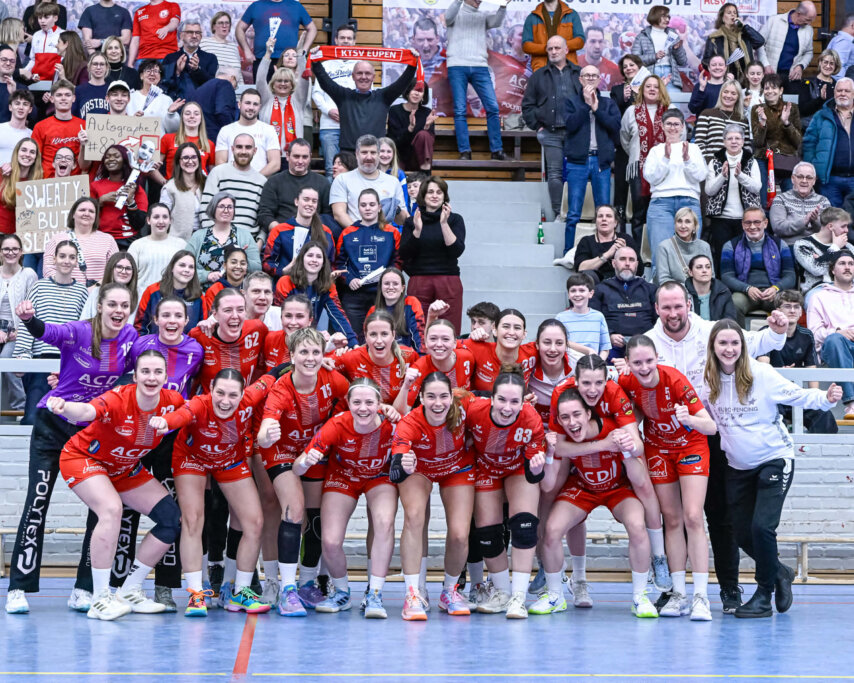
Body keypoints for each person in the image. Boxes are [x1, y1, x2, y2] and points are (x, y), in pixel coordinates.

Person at [646, 282, 789, 613]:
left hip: (711, 434)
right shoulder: (650, 342)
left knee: (719, 516)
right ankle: (677, 590)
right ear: (657, 309)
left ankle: (729, 588)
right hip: (665, 440)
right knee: (674, 518)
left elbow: (755, 342)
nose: (673, 313)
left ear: (689, 305)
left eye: (678, 306)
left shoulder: (711, 331)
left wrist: (777, 331)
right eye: (666, 307)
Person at [4, 282, 138, 615]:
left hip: (91, 431)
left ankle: (84, 588)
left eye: (124, 305)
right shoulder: (79, 331)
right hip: (53, 424)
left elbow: (148, 364)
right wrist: (29, 319)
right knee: (37, 502)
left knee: (100, 510)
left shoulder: (130, 338)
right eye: (112, 305)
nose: (118, 311)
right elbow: (46, 332)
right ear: (100, 305)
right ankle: (18, 588)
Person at [702, 318, 839, 618]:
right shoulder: (707, 379)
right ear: (713, 346)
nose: (729, 349)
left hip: (774, 458)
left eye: (734, 343)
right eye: (722, 343)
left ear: (743, 346)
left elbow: (797, 395)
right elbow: (698, 412)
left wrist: (825, 399)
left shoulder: (761, 374)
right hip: (737, 466)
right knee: (740, 533)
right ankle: (780, 571)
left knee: (762, 528)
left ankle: (764, 594)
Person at [47, 351, 184, 620]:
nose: (151, 377)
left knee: (171, 518)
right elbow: (87, 410)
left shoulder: (173, 402)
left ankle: (130, 589)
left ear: (166, 378)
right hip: (84, 458)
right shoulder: (118, 397)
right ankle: (100, 599)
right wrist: (65, 407)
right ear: (135, 376)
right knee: (111, 510)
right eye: (145, 371)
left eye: (158, 372)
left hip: (124, 468)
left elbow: (195, 412)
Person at [153, 367, 278, 616]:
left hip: (229, 459)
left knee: (254, 522)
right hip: (191, 459)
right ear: (210, 390)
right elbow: (180, 415)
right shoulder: (200, 404)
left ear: (244, 394)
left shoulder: (252, 397)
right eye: (220, 393)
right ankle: (196, 595)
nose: (225, 401)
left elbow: (272, 375)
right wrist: (164, 422)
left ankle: (240, 592)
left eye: (233, 395)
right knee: (192, 520)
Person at [536, 387, 658, 618]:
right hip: (582, 488)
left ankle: (640, 596)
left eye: (576, 415)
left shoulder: (615, 430)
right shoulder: (562, 440)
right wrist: (551, 453)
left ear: (588, 414)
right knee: (551, 529)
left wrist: (627, 450)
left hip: (617, 488)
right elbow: (548, 484)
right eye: (565, 418)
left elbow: (640, 478)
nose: (571, 423)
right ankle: (555, 596)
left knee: (636, 525)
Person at [619, 335, 718, 621]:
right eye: (637, 362)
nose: (644, 367)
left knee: (693, 517)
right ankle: (679, 593)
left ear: (657, 358)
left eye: (649, 360)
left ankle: (701, 596)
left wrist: (688, 419)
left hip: (690, 446)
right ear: (628, 363)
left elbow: (710, 427)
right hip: (658, 450)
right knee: (671, 519)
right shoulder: (626, 381)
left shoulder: (674, 380)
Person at [256, 327, 350, 613]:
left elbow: (354, 403)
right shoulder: (281, 387)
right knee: (294, 510)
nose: (310, 358)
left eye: (315, 352)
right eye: (304, 352)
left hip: (314, 450)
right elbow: (263, 434)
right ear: (292, 356)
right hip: (280, 450)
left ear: (324, 356)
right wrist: (265, 435)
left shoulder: (333, 379)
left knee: (315, 515)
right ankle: (286, 589)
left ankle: (307, 583)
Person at [294, 377, 398, 619]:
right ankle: (341, 592)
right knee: (329, 541)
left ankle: (375, 594)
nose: (363, 408)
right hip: (343, 478)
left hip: (378, 477)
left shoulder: (393, 424)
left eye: (369, 402)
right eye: (357, 402)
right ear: (348, 404)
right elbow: (298, 468)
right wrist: (304, 462)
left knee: (384, 523)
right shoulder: (336, 425)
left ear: (379, 404)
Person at [391, 373, 475, 620]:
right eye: (431, 397)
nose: (438, 403)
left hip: (457, 467)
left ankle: (450, 591)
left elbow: (497, 406)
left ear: (452, 396)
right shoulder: (410, 422)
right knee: (414, 517)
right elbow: (395, 471)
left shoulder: (465, 403)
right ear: (421, 398)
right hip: (419, 469)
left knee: (460, 533)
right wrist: (402, 463)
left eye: (443, 396)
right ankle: (413, 592)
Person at [13, 241, 88, 425]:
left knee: (65, 418)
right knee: (32, 417)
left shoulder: (81, 292)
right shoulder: (39, 287)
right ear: (54, 259)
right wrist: (22, 354)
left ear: (76, 261)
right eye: (62, 256)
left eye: (71, 257)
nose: (66, 261)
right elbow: (26, 322)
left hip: (69, 363)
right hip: (41, 361)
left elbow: (85, 330)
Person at [758, 289, 838, 434]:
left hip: (796, 393)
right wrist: (784, 374)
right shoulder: (765, 333)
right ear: (777, 311)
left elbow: (812, 372)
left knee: (824, 416)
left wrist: (816, 398)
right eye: (787, 306)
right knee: (769, 419)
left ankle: (817, 454)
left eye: (796, 307)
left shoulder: (806, 335)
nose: (792, 311)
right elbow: (763, 367)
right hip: (772, 394)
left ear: (801, 312)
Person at [562, 64, 621, 253]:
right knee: (573, 213)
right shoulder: (571, 101)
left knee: (603, 211)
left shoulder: (608, 103)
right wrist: (586, 105)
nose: (590, 78)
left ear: (599, 79)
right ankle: (569, 252)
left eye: (594, 75)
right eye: (586, 75)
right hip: (577, 162)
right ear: (580, 80)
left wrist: (596, 108)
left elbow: (614, 127)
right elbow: (570, 125)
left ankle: (603, 252)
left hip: (601, 162)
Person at [521, 36, 581, 219]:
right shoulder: (538, 76)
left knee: (577, 174)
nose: (553, 52)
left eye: (557, 48)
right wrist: (538, 127)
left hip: (576, 133)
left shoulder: (579, 73)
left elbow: (589, 100)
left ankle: (576, 212)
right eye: (550, 49)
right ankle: (559, 213)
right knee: (554, 175)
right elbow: (527, 105)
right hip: (550, 133)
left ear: (566, 50)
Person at [442, 0, 507, 161]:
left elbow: (497, 22)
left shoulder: (482, 16)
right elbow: (448, 18)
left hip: (480, 66)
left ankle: (497, 150)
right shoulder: (455, 12)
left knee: (492, 107)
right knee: (460, 110)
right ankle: (465, 151)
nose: (479, 1)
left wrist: (503, 5)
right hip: (457, 65)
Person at [399, 175, 465, 331]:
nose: (435, 195)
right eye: (430, 192)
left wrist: (444, 223)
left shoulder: (455, 220)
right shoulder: (412, 221)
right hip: (419, 280)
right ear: (423, 196)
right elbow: (404, 254)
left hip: (448, 280)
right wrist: (417, 230)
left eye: (439, 192)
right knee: (418, 328)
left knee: (449, 329)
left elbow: (456, 251)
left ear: (444, 196)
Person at [335, 189, 402, 343]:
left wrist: (388, 281)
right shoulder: (348, 232)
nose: (367, 208)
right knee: (353, 340)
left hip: (382, 296)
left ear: (379, 207)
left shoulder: (392, 232)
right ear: (358, 208)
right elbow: (339, 264)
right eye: (363, 205)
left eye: (372, 204)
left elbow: (397, 263)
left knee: (382, 339)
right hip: (353, 296)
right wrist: (348, 279)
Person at [643, 109, 705, 268]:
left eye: (676, 124)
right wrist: (665, 158)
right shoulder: (656, 150)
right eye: (669, 124)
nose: (672, 127)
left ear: (683, 126)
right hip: (661, 204)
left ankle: (688, 291)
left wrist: (687, 160)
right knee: (661, 253)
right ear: (662, 126)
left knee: (690, 255)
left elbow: (700, 176)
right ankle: (661, 291)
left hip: (689, 202)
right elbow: (651, 178)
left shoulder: (693, 149)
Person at [274, 241, 357, 346]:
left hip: (309, 339)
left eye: (318, 257)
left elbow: (338, 316)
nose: (314, 260)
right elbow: (277, 317)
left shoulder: (327, 285)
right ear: (301, 259)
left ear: (323, 263)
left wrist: (353, 343)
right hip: (284, 337)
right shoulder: (285, 282)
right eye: (310, 255)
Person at [720, 206, 797, 319]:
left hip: (773, 292)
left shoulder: (780, 244)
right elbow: (726, 276)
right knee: (734, 303)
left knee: (787, 306)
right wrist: (747, 288)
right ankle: (740, 336)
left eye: (757, 222)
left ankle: (781, 336)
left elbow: (790, 276)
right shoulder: (730, 246)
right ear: (742, 224)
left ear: (765, 223)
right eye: (748, 223)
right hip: (745, 293)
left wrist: (776, 288)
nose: (752, 226)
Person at [618, 75, 670, 240]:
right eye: (648, 86)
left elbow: (680, 135)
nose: (652, 89)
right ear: (642, 90)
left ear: (661, 89)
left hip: (665, 169)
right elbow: (625, 138)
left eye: (656, 86)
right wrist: (637, 154)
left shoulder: (670, 110)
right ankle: (639, 253)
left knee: (661, 211)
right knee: (639, 212)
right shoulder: (631, 111)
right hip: (638, 169)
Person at [705, 124, 762, 271]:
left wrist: (740, 176)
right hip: (721, 219)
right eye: (730, 138)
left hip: (746, 219)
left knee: (745, 256)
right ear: (724, 142)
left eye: (737, 138)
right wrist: (722, 176)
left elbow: (757, 187)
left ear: (743, 141)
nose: (734, 141)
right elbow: (709, 191)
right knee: (722, 256)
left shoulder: (751, 160)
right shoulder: (715, 161)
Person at [806, 250, 854, 419]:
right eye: (842, 264)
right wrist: (838, 332)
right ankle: (851, 403)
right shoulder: (819, 296)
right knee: (835, 340)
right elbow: (813, 333)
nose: (847, 267)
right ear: (833, 269)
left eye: (851, 264)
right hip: (834, 348)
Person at [330, 134, 409, 232]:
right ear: (356, 154)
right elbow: (339, 214)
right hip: (355, 237)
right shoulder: (342, 179)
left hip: (384, 238)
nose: (369, 157)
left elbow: (402, 220)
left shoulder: (393, 182)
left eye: (373, 152)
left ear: (378, 154)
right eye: (364, 152)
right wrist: (361, 233)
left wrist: (396, 210)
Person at [591, 247, 656, 357]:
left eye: (631, 260)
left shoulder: (650, 289)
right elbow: (593, 319)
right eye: (622, 259)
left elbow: (659, 319)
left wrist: (650, 337)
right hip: (613, 345)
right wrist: (609, 335)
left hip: (646, 344)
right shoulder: (600, 290)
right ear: (613, 263)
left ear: (636, 264)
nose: (627, 263)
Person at [201, 136, 268, 243]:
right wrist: (213, 239)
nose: (243, 151)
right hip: (217, 239)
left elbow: (265, 216)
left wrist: (259, 242)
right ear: (232, 149)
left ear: (255, 151)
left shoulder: (262, 181)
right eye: (239, 147)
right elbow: (206, 208)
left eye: (248, 147)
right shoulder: (218, 173)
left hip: (248, 242)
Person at [311, 23, 357, 178]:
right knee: (332, 169)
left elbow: (365, 94)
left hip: (352, 126)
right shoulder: (325, 64)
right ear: (336, 40)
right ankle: (332, 203)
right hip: (329, 125)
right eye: (342, 38)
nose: (345, 41)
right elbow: (316, 93)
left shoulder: (360, 65)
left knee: (352, 169)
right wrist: (328, 110)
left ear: (354, 42)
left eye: (349, 38)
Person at [189, 191, 262, 287]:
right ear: (213, 209)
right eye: (221, 206)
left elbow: (257, 269)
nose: (226, 210)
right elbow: (184, 267)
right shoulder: (198, 236)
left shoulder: (245, 236)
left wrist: (243, 258)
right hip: (203, 294)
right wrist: (207, 275)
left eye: (230, 207)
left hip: (236, 294)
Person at [257, 139, 331, 233]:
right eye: (296, 156)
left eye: (304, 157)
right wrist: (279, 230)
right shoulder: (274, 181)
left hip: (313, 234)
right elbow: (264, 213)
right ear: (287, 156)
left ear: (310, 157)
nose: (300, 161)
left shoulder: (322, 182)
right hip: (281, 233)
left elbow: (328, 215)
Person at [256, 37, 309, 163]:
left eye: (287, 81)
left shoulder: (298, 100)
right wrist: (268, 54)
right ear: (273, 83)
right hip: (267, 156)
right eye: (279, 80)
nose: (283, 84)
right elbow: (260, 79)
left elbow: (304, 80)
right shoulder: (266, 99)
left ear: (292, 85)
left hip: (294, 158)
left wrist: (300, 54)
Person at [43, 196, 118, 285]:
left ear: (96, 216)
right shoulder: (57, 238)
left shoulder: (108, 240)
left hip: (99, 293)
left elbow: (115, 269)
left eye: (91, 211)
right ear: (73, 214)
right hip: (65, 293)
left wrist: (96, 287)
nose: (86, 213)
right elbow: (48, 268)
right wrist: (67, 287)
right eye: (82, 210)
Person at [752, 73, 802, 207]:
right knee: (763, 200)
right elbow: (757, 143)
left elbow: (798, 141)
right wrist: (762, 124)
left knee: (791, 201)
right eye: (767, 88)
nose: (770, 91)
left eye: (774, 88)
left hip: (787, 157)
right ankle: (765, 225)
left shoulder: (792, 108)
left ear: (781, 90)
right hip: (764, 158)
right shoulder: (757, 109)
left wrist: (786, 123)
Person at [803, 78, 854, 207]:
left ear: (853, 94)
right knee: (831, 221)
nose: (842, 93)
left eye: (847, 91)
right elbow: (809, 144)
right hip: (829, 180)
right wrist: (815, 168)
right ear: (834, 92)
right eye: (839, 90)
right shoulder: (821, 115)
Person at [0, 233, 37, 411]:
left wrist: (18, 331)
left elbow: (33, 306)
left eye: (15, 249)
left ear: (21, 252)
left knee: (7, 360)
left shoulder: (28, 274)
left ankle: (19, 408)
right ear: (0, 252)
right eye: (6, 249)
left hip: (19, 330)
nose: (11, 252)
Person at [263, 186, 334, 278]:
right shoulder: (279, 230)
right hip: (286, 285)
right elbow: (267, 263)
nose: (310, 204)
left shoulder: (326, 231)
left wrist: (330, 274)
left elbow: (331, 262)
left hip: (317, 287)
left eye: (314, 201)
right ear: (296, 201)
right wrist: (283, 271)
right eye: (306, 199)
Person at [236, 0, 316, 78]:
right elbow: (239, 28)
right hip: (262, 59)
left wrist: (303, 51)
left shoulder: (296, 6)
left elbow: (312, 29)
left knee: (290, 90)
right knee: (261, 90)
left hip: (289, 61)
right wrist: (247, 51)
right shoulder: (256, 6)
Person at [90, 144, 148, 249]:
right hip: (101, 239)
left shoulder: (136, 188)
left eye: (116, 156)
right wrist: (100, 201)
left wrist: (131, 201)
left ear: (125, 160)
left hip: (129, 240)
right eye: (107, 157)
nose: (111, 159)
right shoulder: (95, 186)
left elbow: (140, 223)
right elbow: (85, 213)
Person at [135, 249, 207, 334]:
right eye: (182, 265)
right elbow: (139, 325)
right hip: (154, 346)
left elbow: (202, 328)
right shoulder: (152, 291)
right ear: (172, 267)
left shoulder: (198, 296)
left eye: (191, 267)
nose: (187, 270)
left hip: (187, 346)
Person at [569, 204, 643, 282]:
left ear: (615, 223)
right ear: (596, 222)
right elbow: (581, 268)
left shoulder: (626, 239)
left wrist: (625, 253)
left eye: (608, 216)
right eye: (600, 216)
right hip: (596, 285)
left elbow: (640, 270)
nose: (604, 219)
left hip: (621, 283)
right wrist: (608, 254)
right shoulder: (586, 241)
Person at [611, 55, 643, 226]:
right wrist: (623, 99)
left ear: (639, 67)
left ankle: (641, 221)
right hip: (623, 146)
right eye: (625, 66)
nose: (629, 68)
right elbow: (613, 116)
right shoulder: (617, 90)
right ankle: (620, 220)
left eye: (632, 65)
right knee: (621, 186)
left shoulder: (649, 86)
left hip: (644, 146)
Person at [216, 90, 280, 177]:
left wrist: (253, 180)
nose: (251, 107)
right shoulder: (226, 130)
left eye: (255, 104)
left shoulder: (269, 130)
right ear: (239, 104)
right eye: (248, 103)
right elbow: (220, 163)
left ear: (260, 107)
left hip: (259, 185)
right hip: (232, 183)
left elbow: (275, 163)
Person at [757, 1, 817, 89]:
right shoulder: (774, 21)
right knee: (770, 101)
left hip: (791, 79)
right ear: (798, 14)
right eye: (808, 19)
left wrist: (800, 66)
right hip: (770, 75)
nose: (809, 23)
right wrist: (765, 65)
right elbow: (759, 43)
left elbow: (809, 52)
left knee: (791, 103)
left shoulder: (809, 30)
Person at [793, 206, 854, 293]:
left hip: (846, 290)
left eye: (847, 226)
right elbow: (817, 269)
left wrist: (821, 258)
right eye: (843, 226)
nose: (847, 230)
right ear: (830, 227)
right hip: (817, 290)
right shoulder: (803, 244)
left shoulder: (848, 247)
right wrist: (835, 248)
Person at [128, 204, 186, 294]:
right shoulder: (137, 245)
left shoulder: (181, 245)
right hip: (142, 301)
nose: (161, 221)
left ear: (170, 220)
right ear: (148, 220)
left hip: (173, 301)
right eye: (156, 217)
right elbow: (129, 275)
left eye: (165, 217)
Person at [151, 102, 214, 185]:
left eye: (196, 114)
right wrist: (166, 184)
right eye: (187, 113)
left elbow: (214, 173)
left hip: (199, 191)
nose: (192, 116)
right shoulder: (168, 139)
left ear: (201, 118)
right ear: (182, 118)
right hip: (173, 191)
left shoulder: (209, 144)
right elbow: (152, 167)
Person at [770, 161, 831, 247]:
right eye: (800, 177)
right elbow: (778, 228)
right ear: (792, 179)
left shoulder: (823, 201)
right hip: (788, 246)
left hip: (815, 247)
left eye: (809, 178)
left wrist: (815, 221)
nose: (804, 181)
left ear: (814, 181)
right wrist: (804, 221)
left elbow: (829, 229)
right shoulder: (781, 199)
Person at [31, 79, 84, 177]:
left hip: (75, 184)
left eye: (67, 95)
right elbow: (35, 159)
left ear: (73, 98)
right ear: (52, 99)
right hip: (48, 182)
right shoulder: (40, 126)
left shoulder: (83, 126)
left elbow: (88, 162)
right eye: (59, 95)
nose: (63, 98)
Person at [366, 268, 425, 354]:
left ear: (402, 288)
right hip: (380, 360)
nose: (390, 287)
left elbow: (419, 337)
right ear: (381, 287)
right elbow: (367, 342)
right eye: (386, 284)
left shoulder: (411, 303)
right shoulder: (373, 310)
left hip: (407, 359)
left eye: (395, 284)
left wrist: (420, 362)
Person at [702, 3, 765, 83]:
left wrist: (744, 27)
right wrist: (719, 66)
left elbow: (760, 41)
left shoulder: (745, 35)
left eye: (735, 13)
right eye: (729, 13)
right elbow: (705, 61)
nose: (733, 15)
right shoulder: (715, 38)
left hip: (746, 81)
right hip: (724, 81)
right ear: (722, 18)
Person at [632, 6, 688, 93]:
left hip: (671, 76)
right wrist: (654, 56)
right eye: (664, 16)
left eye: (668, 17)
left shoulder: (673, 35)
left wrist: (677, 49)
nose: (667, 19)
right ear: (654, 16)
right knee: (651, 105)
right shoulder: (642, 36)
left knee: (673, 105)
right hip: (650, 75)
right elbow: (634, 61)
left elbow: (683, 62)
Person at [161, 19, 218, 101]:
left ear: (201, 36)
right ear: (181, 36)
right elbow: (164, 85)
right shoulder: (170, 58)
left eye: (197, 33)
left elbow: (211, 85)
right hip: (175, 103)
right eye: (190, 32)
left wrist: (197, 70)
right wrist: (176, 72)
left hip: (202, 104)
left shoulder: (210, 58)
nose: (194, 36)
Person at [555, 274, 610, 359]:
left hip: (592, 364)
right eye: (573, 291)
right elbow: (560, 342)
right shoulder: (561, 318)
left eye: (581, 290)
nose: (577, 294)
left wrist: (599, 363)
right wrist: (587, 350)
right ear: (568, 294)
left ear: (590, 293)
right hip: (568, 365)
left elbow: (605, 348)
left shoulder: (598, 317)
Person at [656, 207, 714, 286]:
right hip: (675, 294)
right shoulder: (664, 247)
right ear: (675, 225)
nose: (683, 226)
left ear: (694, 226)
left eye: (688, 222)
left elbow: (711, 276)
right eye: (679, 221)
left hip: (701, 292)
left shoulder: (704, 246)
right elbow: (664, 280)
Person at [387, 81, 436, 173]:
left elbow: (429, 142)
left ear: (424, 96)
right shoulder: (395, 110)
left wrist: (426, 127)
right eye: (414, 89)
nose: (417, 93)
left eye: (420, 91)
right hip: (399, 154)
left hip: (418, 158)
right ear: (408, 91)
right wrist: (410, 128)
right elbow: (394, 142)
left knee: (424, 134)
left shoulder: (427, 113)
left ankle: (425, 173)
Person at [521, 0, 585, 70]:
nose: (553, 50)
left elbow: (580, 41)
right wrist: (549, 48)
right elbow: (526, 46)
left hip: (568, 68)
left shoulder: (572, 14)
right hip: (541, 70)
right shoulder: (532, 17)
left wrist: (560, 46)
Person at [160, 142, 205, 240]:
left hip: (205, 240)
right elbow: (162, 218)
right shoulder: (170, 187)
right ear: (178, 161)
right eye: (185, 158)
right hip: (178, 241)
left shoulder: (207, 184)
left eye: (194, 157)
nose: (190, 161)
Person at [80, 250, 138, 319]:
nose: (123, 271)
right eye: (119, 267)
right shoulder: (96, 292)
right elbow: (84, 320)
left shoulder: (140, 294)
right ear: (111, 269)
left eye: (128, 268)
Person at [0, 137, 41, 234]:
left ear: (36, 157)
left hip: (24, 236)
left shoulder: (39, 180)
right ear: (16, 153)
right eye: (23, 150)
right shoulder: (2, 173)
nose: (27, 154)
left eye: (32, 152)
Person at [127, 60, 181, 133]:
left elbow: (173, 130)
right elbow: (121, 126)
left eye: (156, 71)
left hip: (159, 142)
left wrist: (171, 114)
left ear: (160, 77)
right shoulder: (130, 97)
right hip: (134, 141)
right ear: (141, 76)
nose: (152, 74)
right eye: (148, 71)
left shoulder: (166, 100)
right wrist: (133, 120)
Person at [191, 67, 239, 145]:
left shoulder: (201, 88)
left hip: (199, 136)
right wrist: (230, 132)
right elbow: (223, 111)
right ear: (232, 78)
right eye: (236, 85)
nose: (234, 88)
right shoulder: (225, 84)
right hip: (216, 138)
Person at [685, 254, 738, 322]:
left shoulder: (723, 292)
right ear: (690, 272)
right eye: (699, 267)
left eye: (708, 267)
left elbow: (730, 321)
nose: (704, 270)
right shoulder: (682, 294)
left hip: (718, 331)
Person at [127, 0, 181, 67]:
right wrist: (130, 63)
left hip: (167, 56)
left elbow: (174, 23)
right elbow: (135, 39)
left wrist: (167, 28)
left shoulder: (172, 5)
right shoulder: (139, 12)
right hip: (144, 57)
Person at [199, 11, 243, 86]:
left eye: (227, 23)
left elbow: (239, 72)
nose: (224, 26)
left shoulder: (233, 47)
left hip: (236, 90)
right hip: (214, 88)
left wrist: (243, 88)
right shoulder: (204, 43)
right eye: (220, 23)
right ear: (213, 26)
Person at [797, 49, 840, 125]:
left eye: (832, 63)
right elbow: (803, 110)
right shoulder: (807, 83)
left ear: (835, 66)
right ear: (820, 62)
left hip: (831, 127)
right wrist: (820, 99)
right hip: (811, 127)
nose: (828, 66)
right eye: (825, 62)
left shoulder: (838, 85)